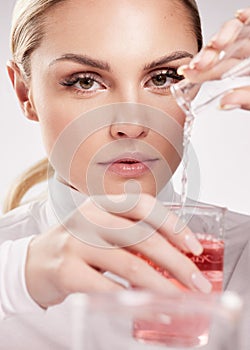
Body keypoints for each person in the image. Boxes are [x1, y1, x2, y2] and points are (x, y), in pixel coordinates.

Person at [0, 0, 249, 349]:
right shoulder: (9, 268)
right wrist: (15, 281)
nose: (131, 125)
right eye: (85, 82)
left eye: (162, 78)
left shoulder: (242, 259)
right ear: (25, 93)